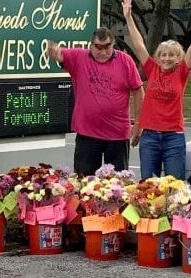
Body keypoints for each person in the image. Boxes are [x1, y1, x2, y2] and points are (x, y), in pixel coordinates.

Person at [122, 0, 191, 179]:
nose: (167, 58)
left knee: (175, 185)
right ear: (158, 57)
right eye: (163, 55)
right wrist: (128, 17)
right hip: (150, 137)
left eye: (172, 55)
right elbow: (139, 45)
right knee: (148, 185)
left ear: (179, 58)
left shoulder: (182, 72)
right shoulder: (152, 69)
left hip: (174, 137)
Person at [45, 27, 144, 175]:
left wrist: (138, 124)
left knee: (117, 185)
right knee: (83, 182)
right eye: (98, 47)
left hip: (117, 134)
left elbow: (139, 92)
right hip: (87, 134)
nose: (103, 52)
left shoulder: (125, 61)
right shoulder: (79, 57)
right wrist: (54, 52)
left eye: (107, 47)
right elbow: (60, 54)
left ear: (113, 44)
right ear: (91, 45)